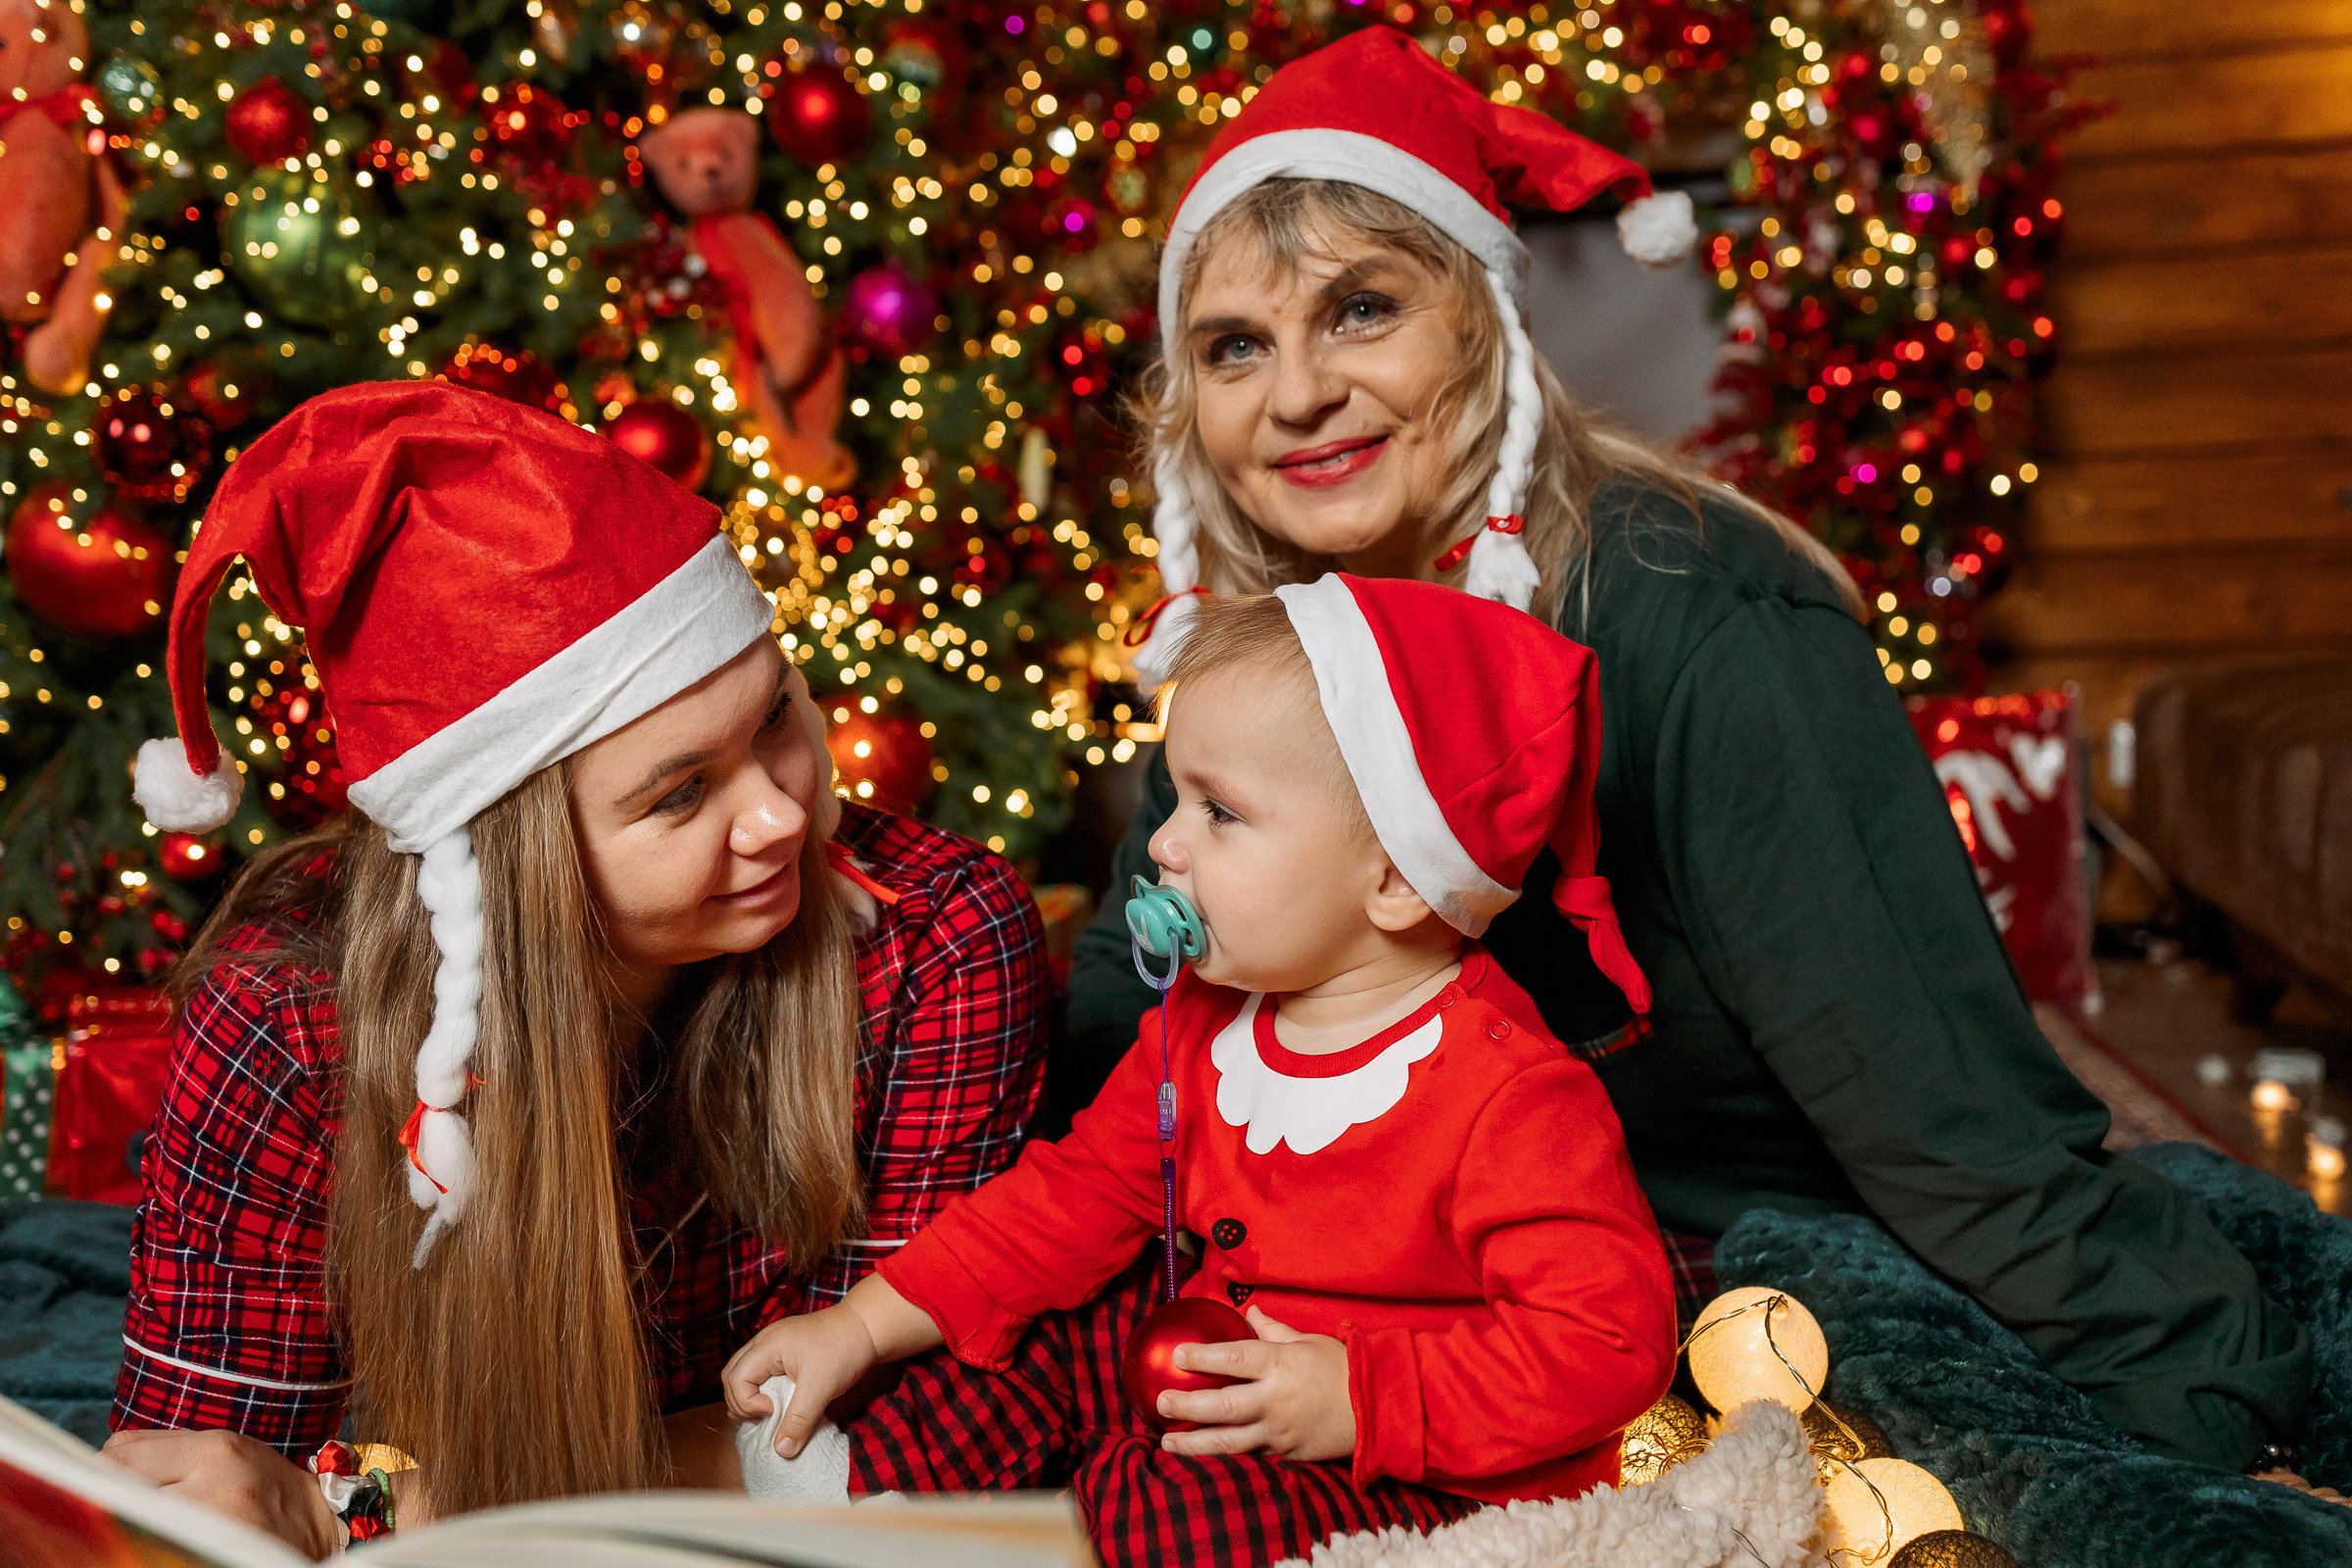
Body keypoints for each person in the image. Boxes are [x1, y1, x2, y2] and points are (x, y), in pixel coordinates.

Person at [1062, 25, 2312, 1476]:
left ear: (1481, 322)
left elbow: (1952, 1123)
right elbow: (1126, 1006)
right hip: (1388, 1277)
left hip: (1720, 1275)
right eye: (1235, 345)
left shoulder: (1707, 621)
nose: (1294, 397)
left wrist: (2206, 1409)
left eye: (1360, 311)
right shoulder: (1267, 643)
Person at [99, 383, 1049, 1552]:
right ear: (516, 864)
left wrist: (378, 1505)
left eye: (774, 717)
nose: (783, 816)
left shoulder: (934, 935)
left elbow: (915, 1423)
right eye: (682, 792)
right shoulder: (288, 1021)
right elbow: (210, 1490)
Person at [717, 579, 1673, 1566]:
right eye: (1175, 798)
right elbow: (1072, 1197)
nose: (1165, 842)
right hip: (1218, 1351)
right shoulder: (1204, 1021)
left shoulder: (1512, 1097)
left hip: (1422, 1471)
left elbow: (1609, 1347)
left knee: (1175, 1511)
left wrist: (1357, 1397)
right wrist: (861, 1326)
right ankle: (867, 1475)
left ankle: (1097, 1504)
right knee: (1037, 1329)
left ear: (1394, 877)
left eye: (1220, 812)